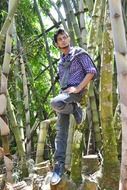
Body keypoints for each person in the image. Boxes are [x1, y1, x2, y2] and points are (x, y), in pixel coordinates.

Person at [50, 28, 97, 185]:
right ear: (57, 44)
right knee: (60, 133)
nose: (64, 40)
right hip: (65, 96)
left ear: (69, 39)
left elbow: (91, 71)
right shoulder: (60, 61)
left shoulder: (79, 53)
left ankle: (75, 108)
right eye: (60, 39)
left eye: (65, 37)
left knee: (54, 103)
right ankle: (59, 166)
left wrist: (77, 88)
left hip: (75, 94)